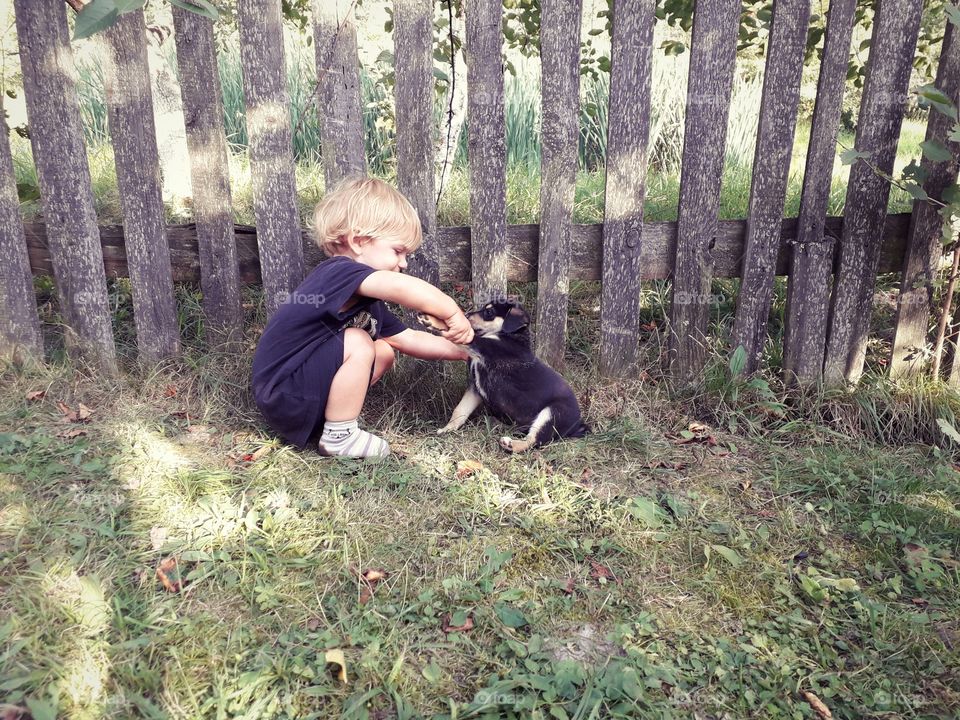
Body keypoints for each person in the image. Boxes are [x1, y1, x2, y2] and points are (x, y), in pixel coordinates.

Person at [252, 177, 474, 458]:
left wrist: (467, 351)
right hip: (283, 393)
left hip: (302, 395)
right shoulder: (337, 272)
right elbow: (402, 288)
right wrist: (452, 312)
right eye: (398, 251)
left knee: (383, 350)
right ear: (358, 242)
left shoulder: (365, 302)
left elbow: (408, 338)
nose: (404, 263)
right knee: (358, 342)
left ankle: (332, 421)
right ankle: (340, 436)